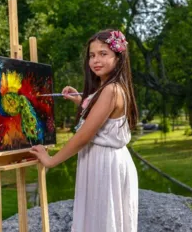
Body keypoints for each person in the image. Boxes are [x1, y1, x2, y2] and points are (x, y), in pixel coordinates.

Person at [30, 29, 139, 232]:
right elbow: (103, 120)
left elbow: (85, 135)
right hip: (106, 160)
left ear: (118, 57)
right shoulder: (109, 87)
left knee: (101, 223)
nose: (96, 60)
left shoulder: (110, 90)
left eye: (103, 54)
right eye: (92, 55)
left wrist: (51, 160)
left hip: (105, 164)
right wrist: (82, 101)